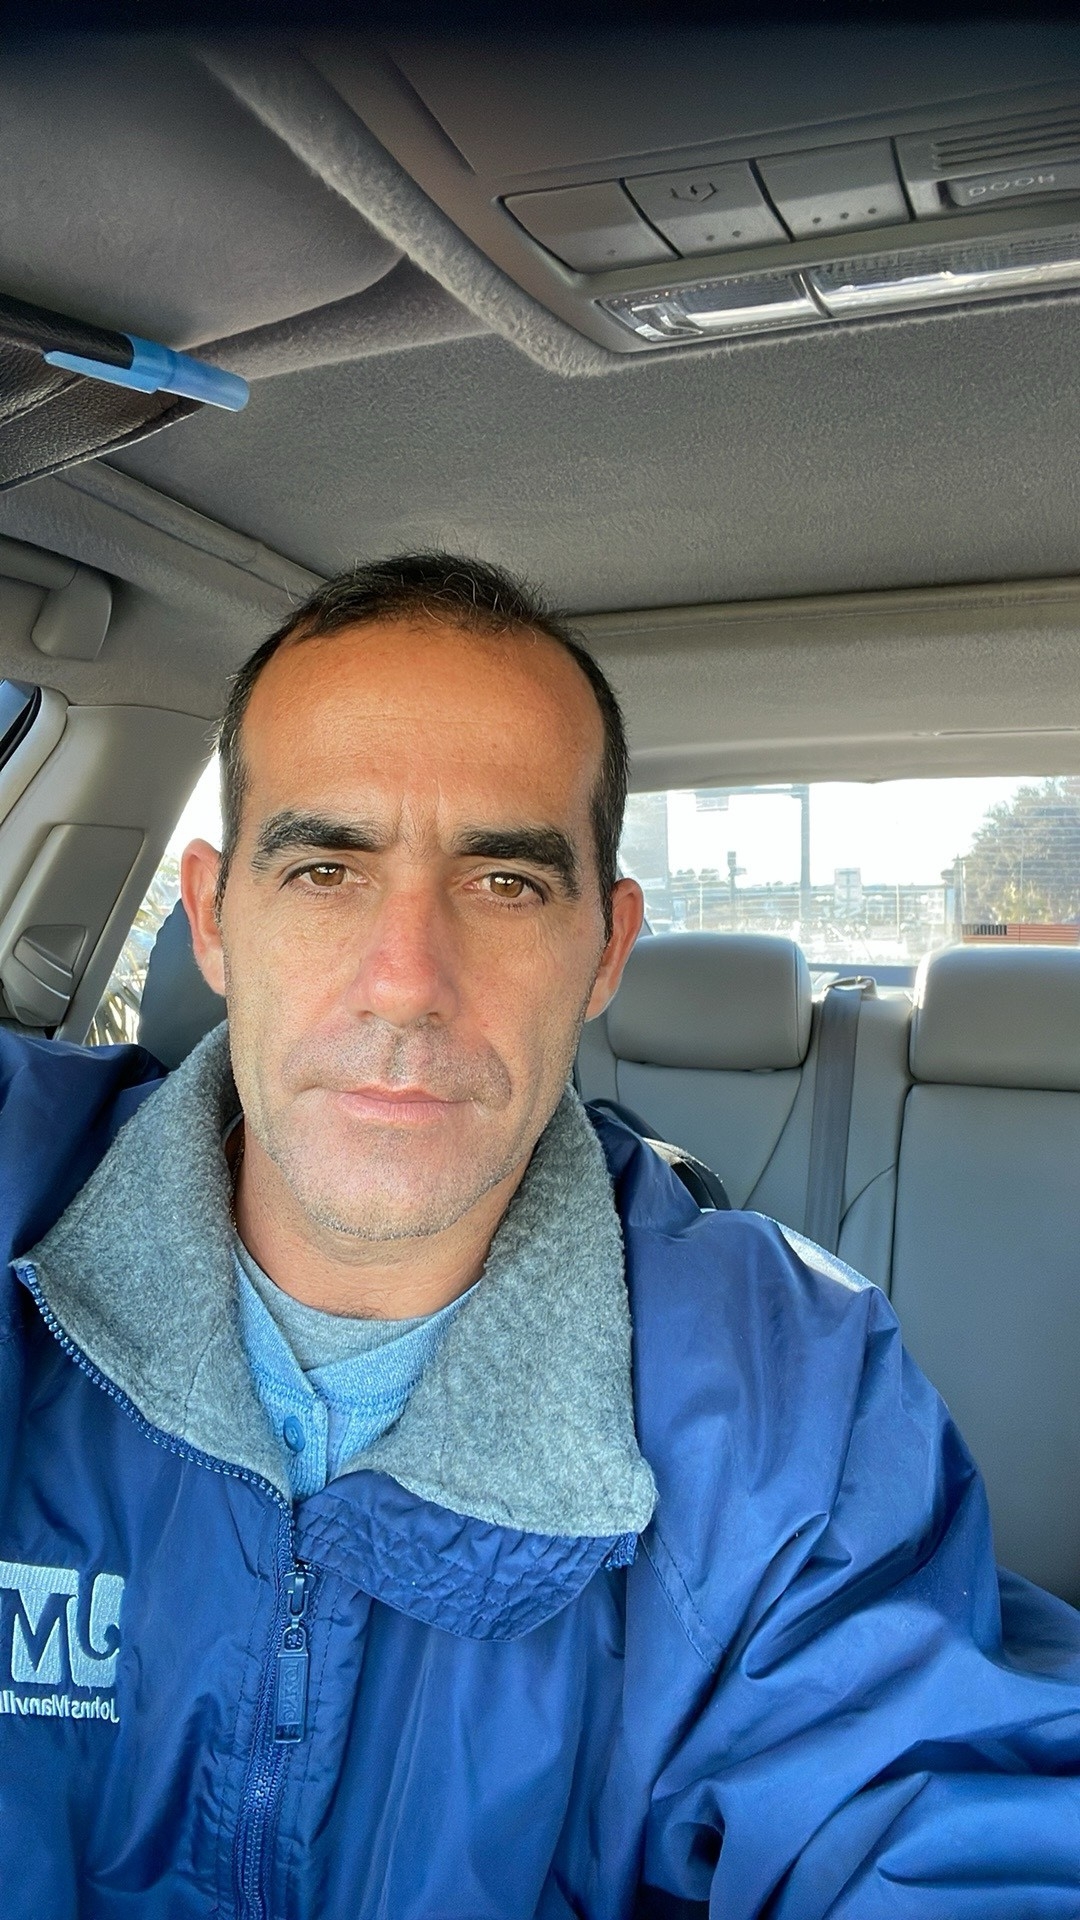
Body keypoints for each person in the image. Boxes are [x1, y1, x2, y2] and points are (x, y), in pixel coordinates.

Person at [0, 552, 1078, 1920]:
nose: (406, 981)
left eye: (505, 882)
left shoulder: (788, 1399)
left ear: (607, 949)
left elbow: (930, 1811)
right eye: (326, 869)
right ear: (213, 918)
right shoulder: (19, 1180)